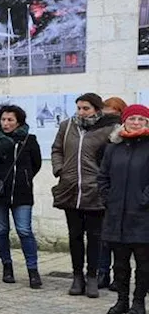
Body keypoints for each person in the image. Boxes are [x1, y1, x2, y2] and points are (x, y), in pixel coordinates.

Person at [52, 92, 118, 298]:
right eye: (79, 108)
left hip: (94, 191)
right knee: (75, 236)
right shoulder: (67, 126)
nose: (81, 112)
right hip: (70, 189)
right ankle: (77, 276)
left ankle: (92, 276)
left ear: (97, 109)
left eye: (86, 108)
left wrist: (105, 181)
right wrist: (60, 169)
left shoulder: (108, 129)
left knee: (95, 236)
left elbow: (113, 157)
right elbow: (56, 150)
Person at [0, 104, 43, 289]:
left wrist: (23, 178)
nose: (6, 124)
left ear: (19, 122)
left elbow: (35, 165)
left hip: (22, 193)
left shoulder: (29, 140)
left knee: (24, 230)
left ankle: (33, 271)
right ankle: (7, 266)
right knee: (1, 230)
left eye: (10, 120)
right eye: (3, 120)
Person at [98, 104, 149, 314]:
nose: (136, 122)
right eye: (132, 118)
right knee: (119, 262)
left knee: (144, 263)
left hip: (143, 215)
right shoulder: (113, 147)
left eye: (141, 119)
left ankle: (138, 303)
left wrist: (144, 199)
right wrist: (108, 197)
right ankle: (121, 300)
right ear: (124, 121)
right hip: (116, 215)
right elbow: (103, 177)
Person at [96, 96, 128, 287]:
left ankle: (119, 277)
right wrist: (105, 192)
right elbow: (100, 166)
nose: (109, 115)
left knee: (121, 240)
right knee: (104, 237)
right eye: (106, 110)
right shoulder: (103, 138)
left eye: (114, 111)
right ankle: (103, 272)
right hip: (108, 194)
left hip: (129, 196)